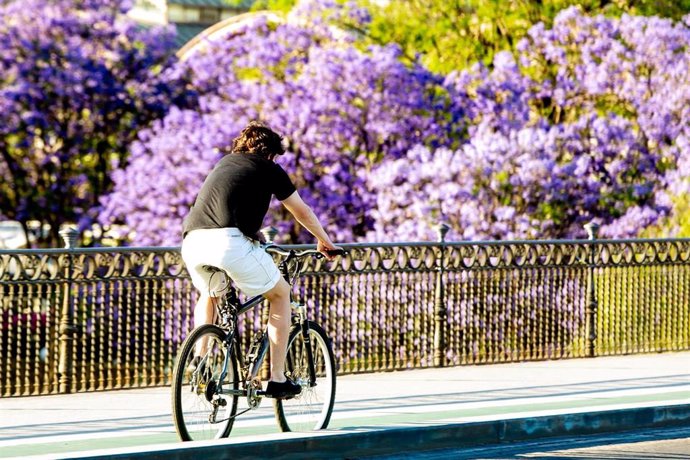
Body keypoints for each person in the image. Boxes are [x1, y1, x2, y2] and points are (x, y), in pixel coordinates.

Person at [181, 121, 340, 399]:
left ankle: (200, 358)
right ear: (270, 153)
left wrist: (254, 237)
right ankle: (277, 379)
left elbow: (226, 208)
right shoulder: (269, 168)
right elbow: (300, 210)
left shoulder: (225, 163)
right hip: (228, 243)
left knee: (210, 293)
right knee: (280, 294)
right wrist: (324, 241)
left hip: (192, 240)